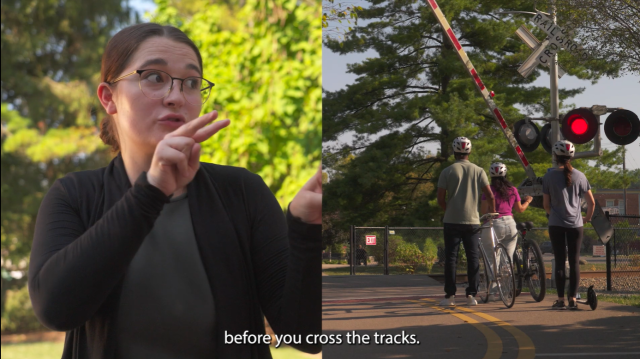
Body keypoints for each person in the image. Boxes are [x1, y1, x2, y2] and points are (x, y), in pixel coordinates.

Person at [28, 23, 322, 359]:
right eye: (154, 77)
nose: (176, 97)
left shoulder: (242, 192)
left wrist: (305, 229)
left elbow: (306, 336)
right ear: (109, 98)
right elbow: (55, 310)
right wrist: (150, 193)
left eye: (191, 83)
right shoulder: (75, 195)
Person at [437, 137, 495, 306]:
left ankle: (450, 296)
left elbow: (440, 198)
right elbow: (490, 195)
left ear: (455, 152)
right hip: (472, 221)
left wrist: (447, 210)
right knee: (473, 258)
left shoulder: (447, 171)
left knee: (451, 258)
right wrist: (491, 212)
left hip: (451, 221)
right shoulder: (479, 171)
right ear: (469, 152)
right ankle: (471, 295)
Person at [543, 140, 595, 310]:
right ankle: (573, 299)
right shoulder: (580, 176)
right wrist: (586, 218)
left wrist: (554, 216)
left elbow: (546, 204)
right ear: (571, 156)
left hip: (556, 224)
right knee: (574, 262)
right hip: (576, 224)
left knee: (559, 260)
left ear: (556, 156)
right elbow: (591, 203)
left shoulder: (549, 176)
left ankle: (560, 300)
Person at [480, 162, 533, 301]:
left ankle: (491, 293)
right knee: (507, 261)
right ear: (505, 174)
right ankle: (507, 289)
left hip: (493, 225)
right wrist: (528, 201)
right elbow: (520, 209)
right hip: (510, 224)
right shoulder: (512, 189)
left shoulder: (488, 190)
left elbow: (483, 212)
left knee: (492, 260)